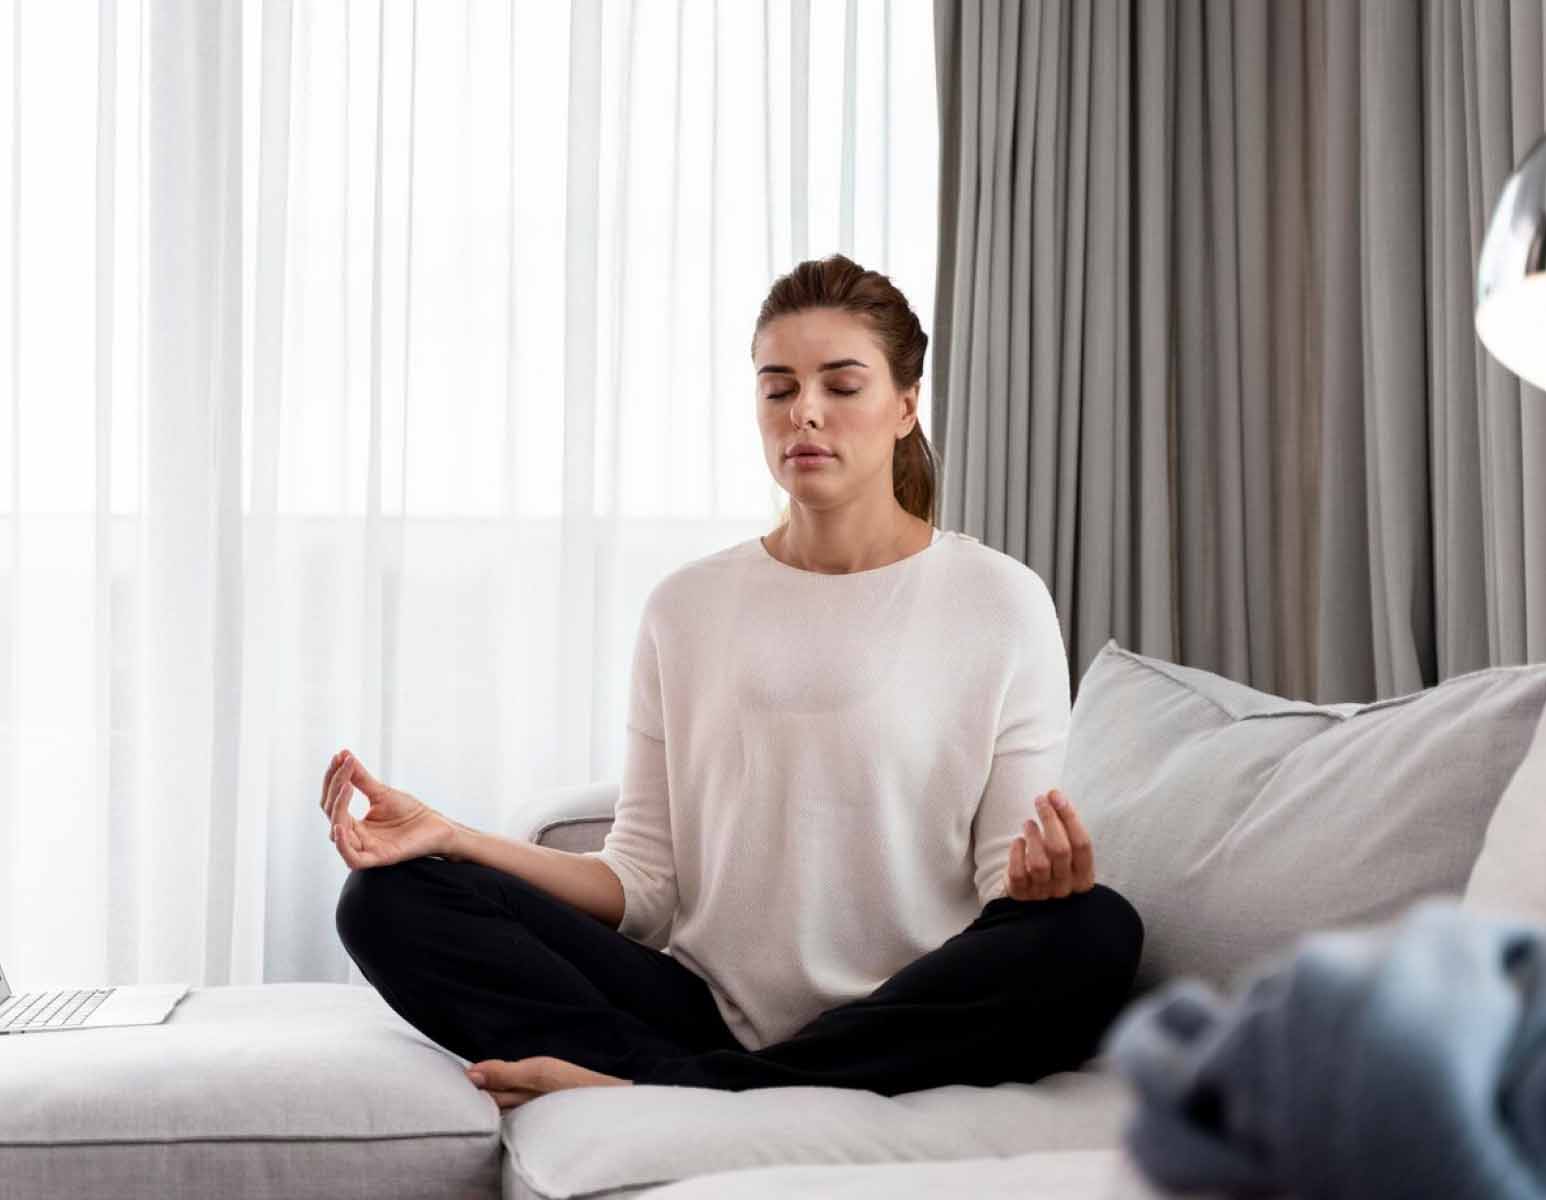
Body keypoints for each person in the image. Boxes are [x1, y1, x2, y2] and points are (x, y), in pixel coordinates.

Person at [330, 253, 1144, 1110]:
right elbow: (642, 887)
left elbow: (998, 895)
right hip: (704, 1011)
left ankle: (657, 1088)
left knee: (1094, 930)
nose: (807, 413)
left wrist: (1041, 888)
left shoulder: (1000, 601)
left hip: (906, 1017)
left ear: (905, 405)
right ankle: (705, 1080)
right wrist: (451, 834)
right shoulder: (686, 606)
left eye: (842, 385)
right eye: (779, 387)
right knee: (387, 900)